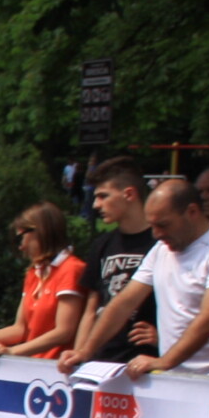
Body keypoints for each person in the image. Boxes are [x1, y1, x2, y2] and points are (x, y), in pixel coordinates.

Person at [59, 178, 209, 379]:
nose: (156, 234)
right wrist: (85, 351)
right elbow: (124, 303)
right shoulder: (161, 249)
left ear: (192, 212)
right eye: (152, 225)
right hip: (173, 377)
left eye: (163, 225)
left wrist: (165, 361)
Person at [75, 157, 159, 367]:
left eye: (103, 196)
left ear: (129, 194)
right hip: (102, 357)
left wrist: (166, 338)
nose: (96, 205)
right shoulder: (102, 244)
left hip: (143, 361)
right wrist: (79, 354)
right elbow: (91, 309)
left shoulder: (161, 242)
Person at [0, 203, 87, 359]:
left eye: (21, 238)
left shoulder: (71, 269)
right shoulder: (34, 272)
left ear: (40, 232)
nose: (21, 247)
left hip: (58, 367)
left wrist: (12, 352)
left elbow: (64, 332)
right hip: (34, 365)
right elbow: (21, 328)